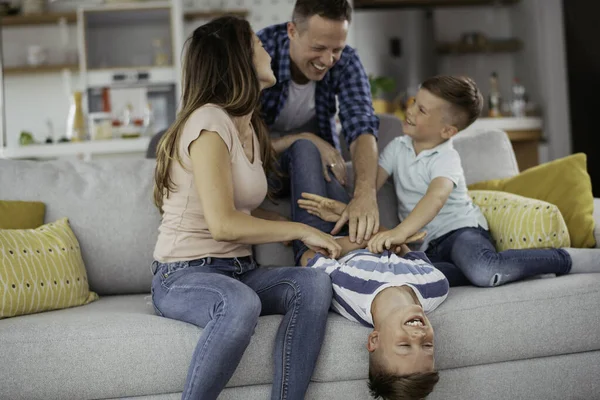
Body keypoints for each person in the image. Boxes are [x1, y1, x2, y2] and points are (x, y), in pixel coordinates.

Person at [151, 16, 342, 400]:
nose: (267, 50)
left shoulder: (250, 125)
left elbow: (246, 218)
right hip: (183, 276)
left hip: (239, 269)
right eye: (257, 44)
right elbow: (223, 224)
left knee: (314, 283)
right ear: (237, 57)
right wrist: (299, 231)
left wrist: (314, 226)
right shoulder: (208, 121)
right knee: (240, 303)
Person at [299, 75, 588, 291]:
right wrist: (344, 209)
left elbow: (435, 199)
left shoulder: (446, 158)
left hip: (461, 232)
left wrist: (400, 232)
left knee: (486, 272)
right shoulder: (398, 147)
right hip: (427, 247)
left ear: (447, 130)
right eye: (415, 102)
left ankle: (565, 259)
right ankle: (483, 270)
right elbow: (368, 190)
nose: (410, 111)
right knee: (408, 273)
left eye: (422, 110)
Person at [257, 0, 381, 265]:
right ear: (292, 31)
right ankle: (313, 258)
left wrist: (365, 194)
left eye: (336, 48)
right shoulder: (260, 53)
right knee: (305, 148)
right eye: (318, 48)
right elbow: (239, 140)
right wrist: (304, 138)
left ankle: (374, 259)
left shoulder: (345, 61)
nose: (328, 60)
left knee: (340, 190)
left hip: (317, 167)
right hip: (263, 168)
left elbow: (362, 127)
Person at [297, 229, 447, 400]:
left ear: (374, 339)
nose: (419, 335)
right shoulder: (436, 286)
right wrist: (389, 236)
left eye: (405, 345)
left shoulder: (351, 288)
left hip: (331, 235)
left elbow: (309, 256)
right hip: (381, 232)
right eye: (427, 346)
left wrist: (365, 238)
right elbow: (405, 248)